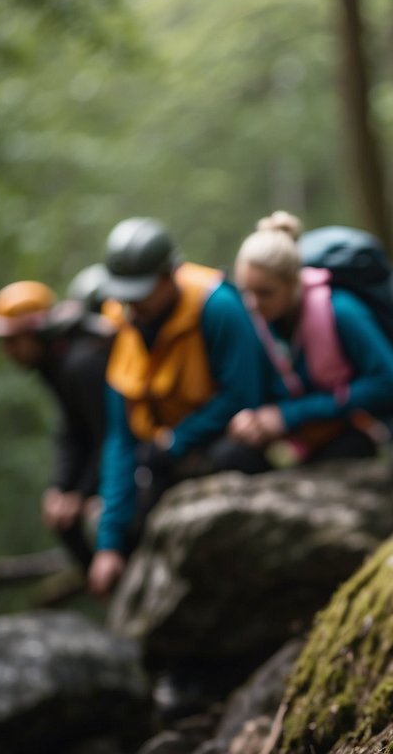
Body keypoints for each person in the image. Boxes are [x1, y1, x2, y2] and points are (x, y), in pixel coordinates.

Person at [88, 217, 271, 597]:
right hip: (161, 460)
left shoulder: (217, 306)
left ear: (169, 275)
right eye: (125, 295)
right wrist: (109, 544)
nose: (132, 306)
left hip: (225, 447)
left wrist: (175, 441)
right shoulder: (124, 325)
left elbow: (244, 396)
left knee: (233, 457)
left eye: (141, 293)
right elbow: (120, 438)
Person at [225, 211, 393, 465]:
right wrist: (255, 420)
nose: (253, 303)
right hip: (302, 440)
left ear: (294, 282)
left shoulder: (342, 311)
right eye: (246, 291)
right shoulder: (263, 322)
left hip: (360, 435)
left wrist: (290, 415)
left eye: (265, 293)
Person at [0, 276, 114, 571]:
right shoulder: (53, 366)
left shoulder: (81, 363)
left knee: (84, 517)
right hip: (102, 459)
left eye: (12, 340)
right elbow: (72, 431)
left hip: (131, 461)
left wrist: (81, 494)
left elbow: (110, 434)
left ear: (36, 331)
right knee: (60, 518)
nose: (8, 351)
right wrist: (60, 487)